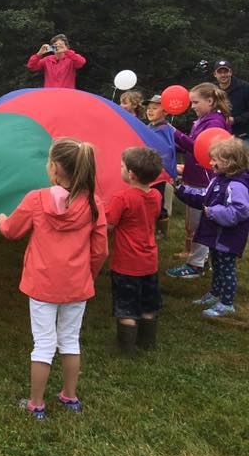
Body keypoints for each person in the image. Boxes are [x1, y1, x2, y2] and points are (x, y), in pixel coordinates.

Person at [0, 138, 108, 421]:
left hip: (42, 284)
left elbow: (12, 231)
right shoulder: (93, 203)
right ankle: (70, 396)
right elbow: (100, 249)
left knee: (43, 343)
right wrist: (87, 277)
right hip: (77, 285)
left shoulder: (36, 199)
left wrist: (0, 221)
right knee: (70, 341)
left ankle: (36, 404)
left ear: (54, 168)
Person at [174, 137, 249, 318]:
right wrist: (181, 190)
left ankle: (227, 302)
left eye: (215, 159)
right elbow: (204, 196)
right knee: (217, 265)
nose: (211, 162)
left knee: (226, 269)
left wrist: (214, 212)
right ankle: (215, 293)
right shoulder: (219, 180)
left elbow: (241, 210)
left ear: (230, 162)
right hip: (216, 236)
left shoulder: (236, 185)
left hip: (227, 237)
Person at [167, 83, 232, 278]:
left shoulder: (214, 122)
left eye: (196, 102)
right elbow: (190, 145)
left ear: (210, 101)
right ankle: (200, 260)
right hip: (196, 176)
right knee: (194, 223)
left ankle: (196, 265)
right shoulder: (203, 120)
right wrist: (170, 141)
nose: (192, 106)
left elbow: (199, 149)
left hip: (204, 179)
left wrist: (173, 132)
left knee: (199, 224)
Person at [105, 147, 165, 355]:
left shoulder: (122, 198)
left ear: (130, 173)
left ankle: (126, 348)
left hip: (126, 263)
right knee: (149, 304)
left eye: (122, 166)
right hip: (149, 261)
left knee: (126, 306)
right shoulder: (156, 196)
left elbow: (109, 225)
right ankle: (147, 343)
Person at [146, 94, 175, 236]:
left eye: (155, 108)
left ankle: (161, 229)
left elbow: (167, 150)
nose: (150, 111)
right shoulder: (149, 126)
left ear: (165, 112)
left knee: (159, 200)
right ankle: (150, 225)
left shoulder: (165, 129)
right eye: (149, 108)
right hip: (148, 169)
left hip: (159, 172)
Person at [212, 61, 249, 142]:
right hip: (221, 136)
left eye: (226, 72)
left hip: (244, 135)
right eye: (220, 72)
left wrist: (235, 120)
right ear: (215, 74)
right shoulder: (212, 90)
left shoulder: (244, 87)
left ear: (230, 72)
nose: (223, 75)